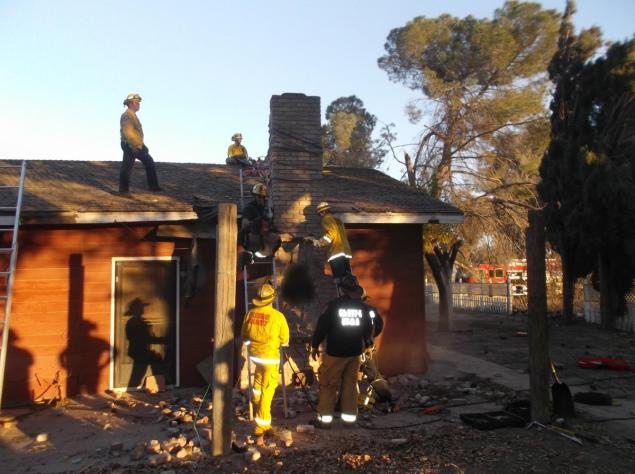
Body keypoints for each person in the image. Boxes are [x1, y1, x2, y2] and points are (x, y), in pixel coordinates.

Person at [311, 275, 373, 429]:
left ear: (342, 290)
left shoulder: (333, 306)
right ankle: (349, 420)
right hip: (354, 353)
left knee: (328, 385)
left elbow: (322, 327)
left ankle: (325, 421)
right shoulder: (363, 308)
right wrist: (368, 344)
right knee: (350, 386)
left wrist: (314, 345)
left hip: (335, 353)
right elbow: (369, 328)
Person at [241, 283, 290, 439]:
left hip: (255, 356)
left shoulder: (250, 314)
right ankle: (261, 425)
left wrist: (253, 346)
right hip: (270, 358)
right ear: (272, 299)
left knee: (259, 378)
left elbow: (244, 335)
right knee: (267, 391)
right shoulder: (278, 317)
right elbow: (285, 340)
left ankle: (255, 398)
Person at [119, 93, 162, 195]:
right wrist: (137, 146)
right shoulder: (127, 115)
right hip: (131, 145)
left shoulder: (132, 115)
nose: (138, 104)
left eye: (138, 103)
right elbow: (128, 132)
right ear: (130, 103)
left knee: (127, 166)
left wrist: (142, 145)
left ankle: (123, 190)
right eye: (136, 102)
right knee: (149, 162)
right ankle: (153, 187)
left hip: (130, 144)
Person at [308, 201, 353, 281]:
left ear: (324, 212)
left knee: (340, 280)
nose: (320, 215)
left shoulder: (326, 219)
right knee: (347, 279)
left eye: (320, 213)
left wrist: (319, 242)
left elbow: (332, 232)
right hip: (345, 252)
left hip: (336, 252)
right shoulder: (337, 220)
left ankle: (344, 292)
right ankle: (354, 292)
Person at [239, 183, 280, 266]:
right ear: (255, 196)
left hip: (264, 240)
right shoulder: (249, 208)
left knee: (277, 238)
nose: (261, 199)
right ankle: (248, 256)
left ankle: (268, 254)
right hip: (252, 239)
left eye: (262, 197)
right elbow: (245, 224)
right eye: (259, 196)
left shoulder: (266, 209)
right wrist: (256, 222)